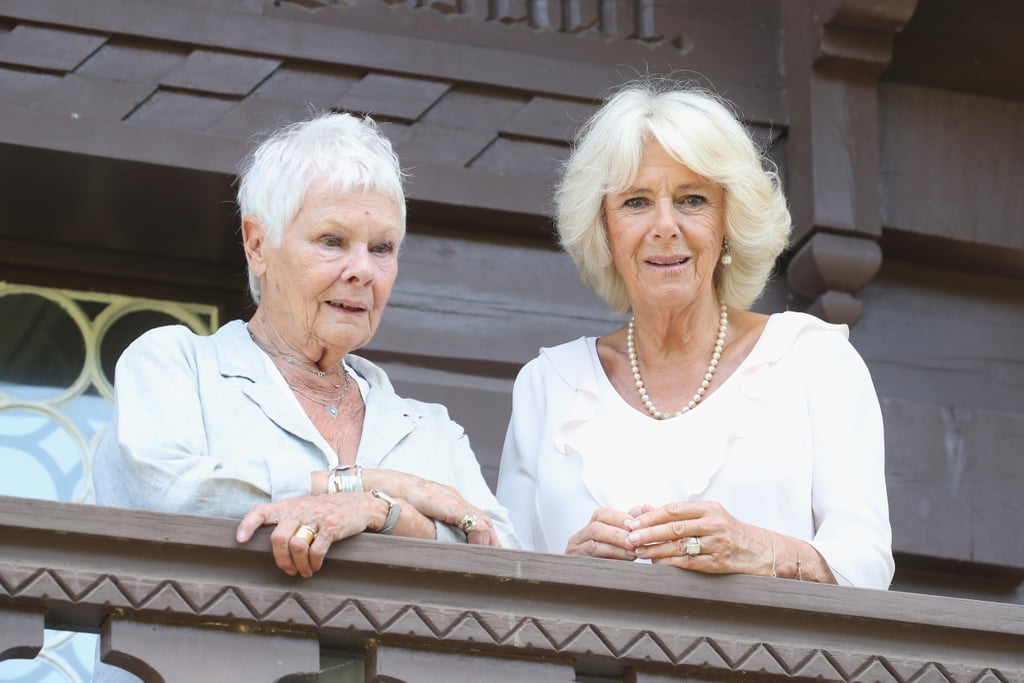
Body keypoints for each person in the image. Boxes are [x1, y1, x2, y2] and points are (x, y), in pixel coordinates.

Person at [496, 79, 894, 589]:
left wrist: (759, 550)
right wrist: (566, 568)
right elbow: (508, 590)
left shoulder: (813, 361)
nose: (665, 225)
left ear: (728, 222)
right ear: (605, 230)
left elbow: (866, 567)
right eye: (636, 202)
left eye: (692, 199)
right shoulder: (548, 385)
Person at [94, 111, 519, 580]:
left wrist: (380, 511)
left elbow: (504, 560)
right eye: (332, 240)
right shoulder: (176, 365)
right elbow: (160, 491)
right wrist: (369, 483)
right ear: (257, 246)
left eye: (382, 248)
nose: (363, 270)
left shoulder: (431, 430)